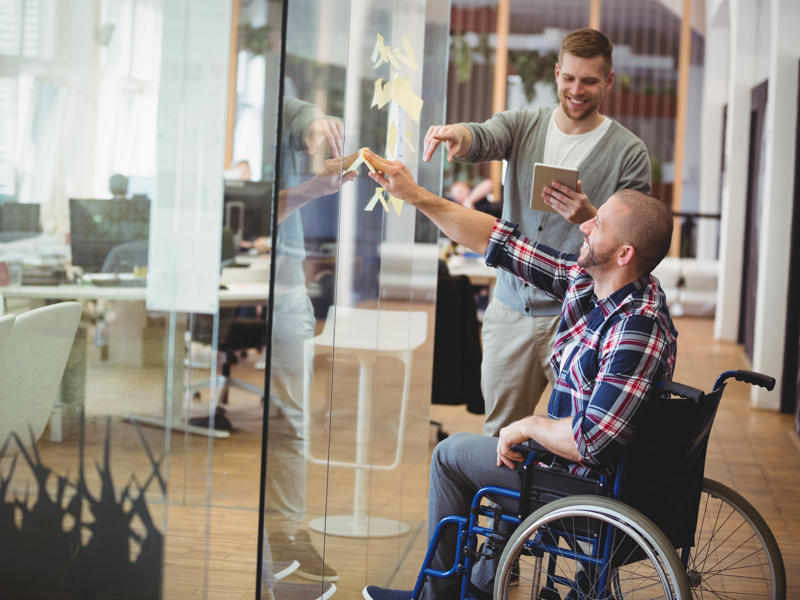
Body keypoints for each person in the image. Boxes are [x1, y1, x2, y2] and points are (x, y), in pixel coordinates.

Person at [360, 150, 677, 600]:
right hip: (574, 471)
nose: (584, 224)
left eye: (598, 223)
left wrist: (530, 425)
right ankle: (469, 585)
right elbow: (502, 242)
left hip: (585, 491)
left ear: (624, 253)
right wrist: (414, 195)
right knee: (485, 454)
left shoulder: (636, 326)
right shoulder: (592, 284)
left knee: (451, 455)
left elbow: (592, 441)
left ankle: (441, 597)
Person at [423, 28, 652, 437]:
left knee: (571, 434)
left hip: (579, 319)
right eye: (569, 78)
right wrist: (459, 134)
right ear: (557, 72)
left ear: (609, 81)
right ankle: (501, 503)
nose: (576, 90)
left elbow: (634, 237)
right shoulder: (525, 124)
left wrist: (590, 215)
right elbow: (485, 136)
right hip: (511, 312)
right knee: (500, 435)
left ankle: (553, 504)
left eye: (589, 81)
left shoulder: (628, 151)